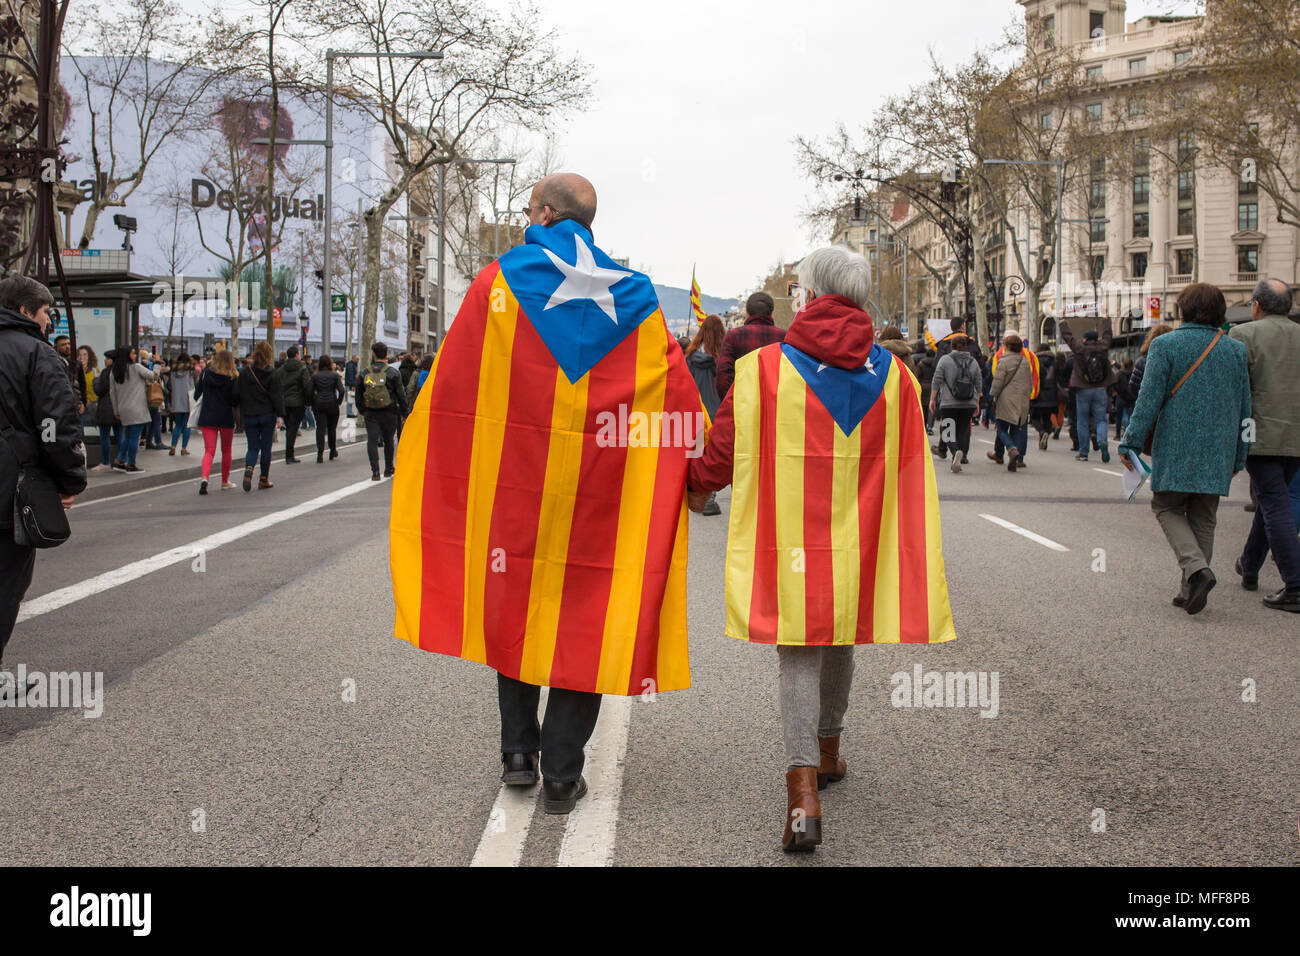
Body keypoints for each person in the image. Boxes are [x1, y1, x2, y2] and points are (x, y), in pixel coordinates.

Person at [389, 172, 703, 817]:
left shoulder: (497, 283)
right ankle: (563, 774)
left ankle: (516, 755)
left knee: (515, 610)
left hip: (516, 489)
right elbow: (675, 401)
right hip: (602, 497)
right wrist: (691, 479)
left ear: (546, 211)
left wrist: (435, 464)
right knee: (585, 619)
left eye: (527, 207)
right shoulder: (638, 296)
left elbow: (452, 386)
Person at [685, 245, 955, 852]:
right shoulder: (900, 379)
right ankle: (830, 751)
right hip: (861, 536)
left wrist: (692, 486)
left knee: (799, 646)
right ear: (859, 297)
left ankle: (802, 789)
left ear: (808, 296)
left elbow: (721, 454)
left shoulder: (762, 371)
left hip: (791, 539)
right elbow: (913, 467)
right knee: (840, 632)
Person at [1119, 283, 1251, 615]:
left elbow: (1148, 399)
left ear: (1183, 310)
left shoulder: (1165, 345)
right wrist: (1240, 453)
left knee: (1166, 506)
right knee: (1204, 517)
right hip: (1218, 446)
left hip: (1177, 442)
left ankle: (1196, 571)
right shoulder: (1234, 350)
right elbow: (1245, 407)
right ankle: (1190, 588)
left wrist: (1131, 440)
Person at [0, 276, 85, 701]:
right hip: (10, 489)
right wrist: (69, 479)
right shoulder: (37, 353)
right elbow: (55, 426)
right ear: (25, 312)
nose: (49, 320)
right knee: (7, 582)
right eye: (46, 312)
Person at [1229, 278, 1300, 612]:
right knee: (1275, 500)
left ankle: (1296, 584)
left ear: (1256, 304)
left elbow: (1235, 391)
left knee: (1273, 504)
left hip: (1260, 434)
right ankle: (1249, 564)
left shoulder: (1243, 335)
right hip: (1296, 435)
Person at [684, 314, 726, 515]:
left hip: (697, 411)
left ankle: (697, 495)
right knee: (715, 456)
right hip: (719, 410)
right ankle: (710, 498)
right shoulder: (724, 358)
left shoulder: (690, 357)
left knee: (697, 454)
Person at [1060, 317, 1116, 463]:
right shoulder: (1103, 347)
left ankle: (1083, 452)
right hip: (1100, 388)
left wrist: (1063, 322)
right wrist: (1106, 320)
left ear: (1085, 339)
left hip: (1083, 388)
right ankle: (1102, 441)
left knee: (1082, 421)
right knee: (1101, 420)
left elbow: (1068, 337)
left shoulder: (1080, 348)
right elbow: (1108, 335)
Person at [714, 292, 785, 399]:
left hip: (743, 403)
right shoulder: (784, 337)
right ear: (771, 314)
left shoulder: (734, 336)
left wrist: (732, 404)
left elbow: (723, 376)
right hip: (776, 404)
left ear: (747, 314)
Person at [930, 329, 981, 473]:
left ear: (951, 346)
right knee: (963, 429)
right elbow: (978, 383)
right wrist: (977, 401)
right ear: (965, 346)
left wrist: (933, 399)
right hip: (969, 403)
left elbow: (937, 380)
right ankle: (962, 454)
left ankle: (955, 451)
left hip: (949, 402)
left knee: (947, 429)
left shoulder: (945, 360)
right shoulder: (973, 361)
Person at [356, 340, 407, 480]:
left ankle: (375, 472)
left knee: (372, 440)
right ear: (387, 355)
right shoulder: (393, 373)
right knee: (389, 440)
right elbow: (400, 394)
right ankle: (389, 468)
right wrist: (404, 411)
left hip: (370, 412)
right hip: (389, 411)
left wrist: (363, 410)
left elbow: (358, 394)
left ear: (373, 355)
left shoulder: (364, 373)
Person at [237, 340, 284, 491]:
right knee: (266, 448)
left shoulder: (245, 372)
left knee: (252, 447)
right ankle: (263, 479)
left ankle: (249, 468)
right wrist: (280, 415)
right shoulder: (272, 373)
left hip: (249, 415)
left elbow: (236, 393)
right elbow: (276, 396)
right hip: (267, 414)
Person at [105, 346, 159, 473]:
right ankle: (131, 463)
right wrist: (156, 364)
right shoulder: (136, 368)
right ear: (127, 355)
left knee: (128, 436)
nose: (135, 356)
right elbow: (153, 376)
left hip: (123, 409)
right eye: (133, 354)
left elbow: (112, 393)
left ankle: (120, 460)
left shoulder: (114, 372)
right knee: (134, 437)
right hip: (137, 408)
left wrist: (116, 410)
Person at [194, 348, 240, 495]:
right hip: (225, 416)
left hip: (208, 415)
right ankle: (225, 481)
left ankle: (204, 478)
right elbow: (235, 400)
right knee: (226, 450)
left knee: (209, 450)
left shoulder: (206, 374)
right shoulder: (233, 377)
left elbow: (197, 394)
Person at [988, 333, 1034, 472]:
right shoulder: (1025, 362)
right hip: (1021, 401)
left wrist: (992, 396)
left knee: (1001, 428)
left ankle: (1011, 449)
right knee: (1017, 428)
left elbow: (998, 382)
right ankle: (1017, 458)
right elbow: (1030, 384)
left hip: (1006, 400)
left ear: (1007, 347)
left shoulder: (1004, 361)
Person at [274, 345, 311, 464]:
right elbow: (306, 386)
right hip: (298, 402)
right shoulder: (302, 368)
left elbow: (277, 387)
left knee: (290, 427)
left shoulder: (280, 370)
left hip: (285, 402)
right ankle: (289, 455)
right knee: (293, 429)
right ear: (296, 355)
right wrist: (308, 401)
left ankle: (289, 454)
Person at [311, 354, 345, 463]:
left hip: (319, 404)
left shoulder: (315, 376)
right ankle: (332, 450)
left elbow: (308, 390)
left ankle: (320, 453)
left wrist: (313, 401)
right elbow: (342, 390)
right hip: (332, 403)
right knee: (332, 428)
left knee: (320, 428)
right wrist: (338, 401)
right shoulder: (334, 375)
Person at [90, 356, 120, 472]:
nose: (105, 360)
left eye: (107, 358)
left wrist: (96, 379)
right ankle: (121, 460)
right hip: (118, 408)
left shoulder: (106, 372)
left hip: (106, 408)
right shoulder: (121, 372)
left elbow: (99, 390)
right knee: (120, 435)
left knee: (105, 436)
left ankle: (106, 462)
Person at [1029, 347, 1059, 451]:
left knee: (1035, 417)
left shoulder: (1035, 361)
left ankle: (1042, 432)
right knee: (1047, 417)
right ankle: (1044, 439)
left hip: (1038, 393)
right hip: (1051, 394)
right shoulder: (1054, 362)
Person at [167, 353, 195, 456]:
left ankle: (173, 446)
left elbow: (169, 386)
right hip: (187, 401)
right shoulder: (190, 372)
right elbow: (194, 384)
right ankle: (183, 448)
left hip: (176, 401)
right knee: (187, 426)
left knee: (178, 425)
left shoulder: (173, 372)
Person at [53, 334, 86, 419]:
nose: (67, 346)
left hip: (76, 404)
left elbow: (82, 383)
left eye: (69, 343)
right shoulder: (53, 361)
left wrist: (83, 402)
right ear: (56, 347)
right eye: (63, 345)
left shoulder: (76, 362)